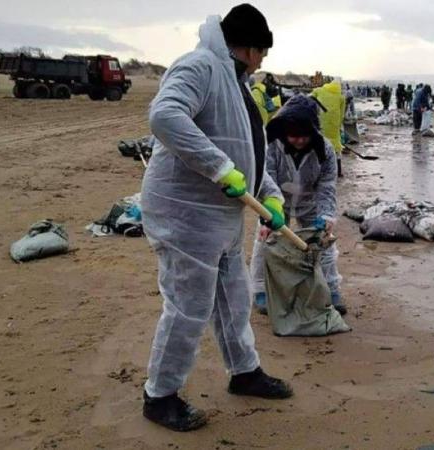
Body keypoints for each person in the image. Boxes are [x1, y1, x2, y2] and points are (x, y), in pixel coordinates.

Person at [139, 4, 293, 433]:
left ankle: (244, 372)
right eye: (262, 51)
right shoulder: (199, 67)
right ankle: (160, 395)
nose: (264, 60)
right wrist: (218, 168)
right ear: (245, 46)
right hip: (184, 215)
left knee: (233, 298)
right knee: (188, 306)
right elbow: (164, 116)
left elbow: (247, 150)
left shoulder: (239, 85)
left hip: (222, 218)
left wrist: (272, 196)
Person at [249, 94, 344, 315]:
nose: (299, 141)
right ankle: (261, 290)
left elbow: (327, 185)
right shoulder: (271, 146)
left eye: (304, 136)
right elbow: (265, 178)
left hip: (310, 202)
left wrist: (327, 215)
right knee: (265, 240)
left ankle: (332, 288)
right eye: (293, 136)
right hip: (276, 199)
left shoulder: (326, 151)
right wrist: (267, 216)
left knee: (326, 245)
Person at [310, 80, 346, 176]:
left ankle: (320, 170)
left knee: (320, 144)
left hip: (321, 121)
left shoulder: (320, 90)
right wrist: (339, 125)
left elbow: (310, 97)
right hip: (334, 124)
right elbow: (342, 113)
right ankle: (338, 171)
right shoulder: (341, 97)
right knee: (336, 147)